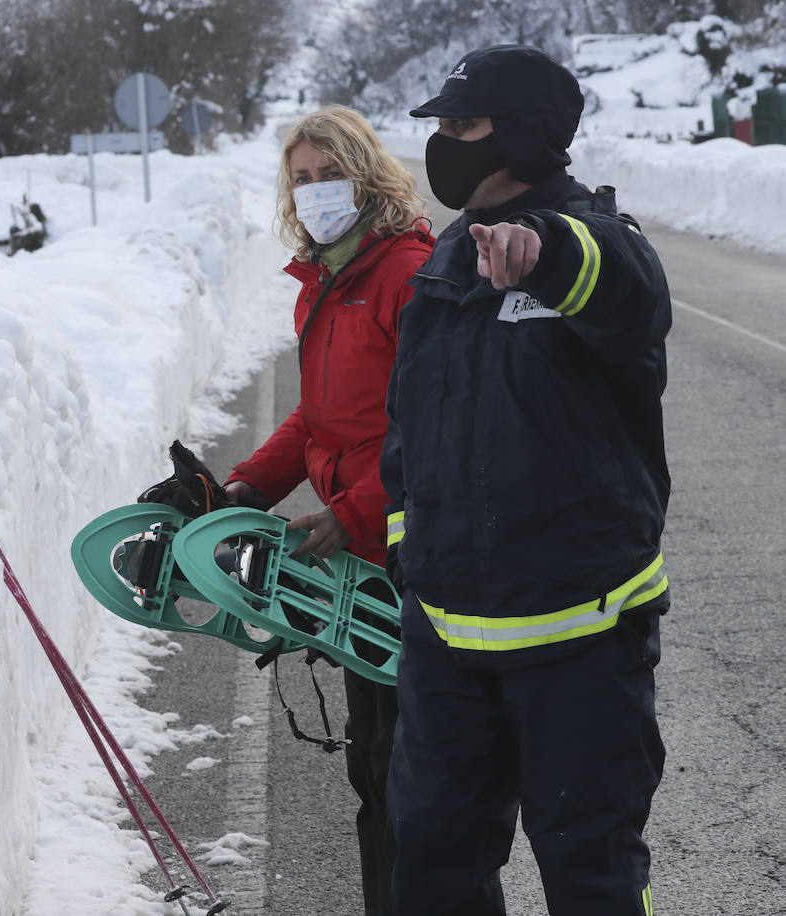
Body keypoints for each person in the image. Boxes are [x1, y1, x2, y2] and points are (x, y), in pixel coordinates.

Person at [380, 45, 672, 916]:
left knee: (594, 877)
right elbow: (410, 439)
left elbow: (625, 289)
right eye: (438, 125)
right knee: (432, 869)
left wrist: (541, 252)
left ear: (526, 136)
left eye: (461, 125)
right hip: (446, 645)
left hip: (579, 641)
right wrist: (413, 561)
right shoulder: (440, 267)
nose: (442, 142)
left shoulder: (595, 246)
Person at [222, 105, 434, 916]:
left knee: (414, 783)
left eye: (329, 175)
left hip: (413, 561)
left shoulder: (407, 276)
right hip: (358, 571)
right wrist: (237, 489)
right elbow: (318, 417)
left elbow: (434, 430)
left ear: (366, 174)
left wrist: (352, 515)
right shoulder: (324, 281)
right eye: (301, 179)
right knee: (372, 773)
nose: (314, 193)